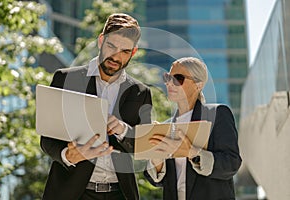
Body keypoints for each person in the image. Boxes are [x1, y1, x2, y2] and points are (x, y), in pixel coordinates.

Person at [40, 13, 152, 200]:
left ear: (133, 52)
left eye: (125, 51)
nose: (116, 56)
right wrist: (68, 155)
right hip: (73, 193)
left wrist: (124, 131)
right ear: (101, 41)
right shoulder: (66, 79)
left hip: (120, 194)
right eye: (111, 46)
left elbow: (145, 148)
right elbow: (47, 139)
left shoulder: (140, 92)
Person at [144, 57, 242, 199]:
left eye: (178, 78)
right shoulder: (165, 127)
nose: (170, 83)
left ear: (199, 84)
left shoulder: (217, 114)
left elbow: (231, 164)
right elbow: (158, 182)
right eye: (167, 78)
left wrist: (192, 153)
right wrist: (157, 161)